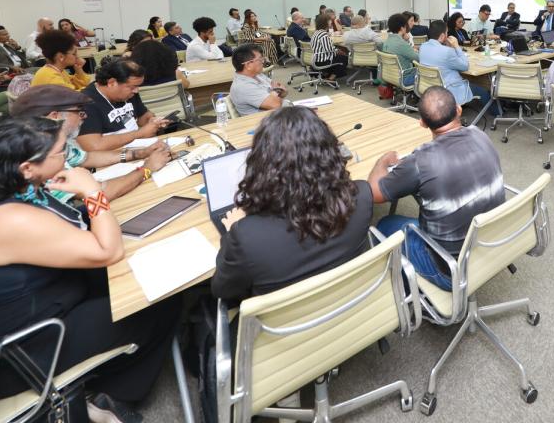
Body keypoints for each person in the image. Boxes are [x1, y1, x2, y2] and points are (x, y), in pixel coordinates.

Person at [0, 116, 178, 420]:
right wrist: (93, 192)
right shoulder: (10, 219)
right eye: (60, 152)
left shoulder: (15, 192)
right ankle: (110, 398)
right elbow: (109, 251)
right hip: (11, 356)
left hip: (41, 314)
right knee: (157, 300)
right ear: (27, 168)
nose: (67, 157)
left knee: (137, 281)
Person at [212, 106, 373, 304]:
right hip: (350, 303)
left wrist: (229, 234)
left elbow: (222, 290)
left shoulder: (246, 236)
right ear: (330, 151)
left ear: (262, 163)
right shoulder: (362, 195)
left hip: (285, 322)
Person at [369, 87, 506, 289]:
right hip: (493, 244)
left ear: (422, 123)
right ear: (459, 109)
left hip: (450, 269)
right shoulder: (480, 135)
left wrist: (382, 162)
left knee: (384, 225)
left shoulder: (420, 161)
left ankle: (407, 294)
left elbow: (374, 193)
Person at [10, 85, 173, 202]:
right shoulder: (40, 159)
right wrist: (147, 169)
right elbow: (100, 194)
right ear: (55, 116)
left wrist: (139, 153)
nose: (84, 116)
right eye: (79, 111)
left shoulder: (47, 139)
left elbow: (86, 158)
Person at [76, 59, 172, 151]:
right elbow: (93, 146)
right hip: (111, 156)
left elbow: (143, 118)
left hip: (138, 148)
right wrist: (139, 134)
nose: (136, 91)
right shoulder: (85, 103)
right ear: (112, 83)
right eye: (133, 87)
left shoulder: (129, 93)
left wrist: (153, 121)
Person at [419, 20, 499, 116]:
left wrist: (449, 48)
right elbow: (465, 66)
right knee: (484, 91)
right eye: (447, 33)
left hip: (429, 85)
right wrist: (456, 46)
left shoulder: (423, 47)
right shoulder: (447, 52)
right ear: (443, 36)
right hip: (449, 88)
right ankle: (498, 113)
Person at [228, 43, 289, 116]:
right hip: (268, 120)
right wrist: (277, 90)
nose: (263, 62)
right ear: (248, 65)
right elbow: (276, 104)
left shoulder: (257, 75)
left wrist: (274, 93)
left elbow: (284, 91)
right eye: (260, 59)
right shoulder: (243, 87)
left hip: (281, 113)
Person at [379, 13, 419, 88]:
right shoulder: (401, 44)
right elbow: (418, 59)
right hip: (404, 78)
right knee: (427, 76)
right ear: (402, 28)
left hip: (389, 75)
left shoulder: (387, 41)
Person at [310, 12, 347, 80]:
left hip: (316, 59)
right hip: (322, 61)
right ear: (325, 23)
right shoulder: (323, 34)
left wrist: (337, 50)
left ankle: (326, 74)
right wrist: (338, 50)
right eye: (329, 21)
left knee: (339, 55)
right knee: (343, 58)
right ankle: (331, 78)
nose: (331, 22)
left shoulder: (316, 32)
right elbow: (329, 49)